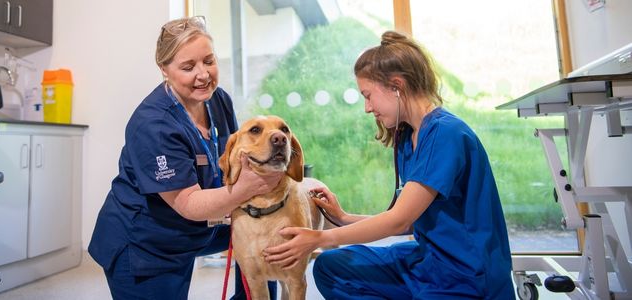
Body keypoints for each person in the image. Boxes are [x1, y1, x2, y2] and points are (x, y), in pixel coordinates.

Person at [263, 31, 515, 299]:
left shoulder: (445, 134)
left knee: (331, 254)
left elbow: (400, 220)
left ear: (397, 87)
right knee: (331, 267)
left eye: (368, 95)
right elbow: (411, 222)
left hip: (466, 275)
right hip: (429, 261)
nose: (367, 108)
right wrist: (344, 218)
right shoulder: (409, 136)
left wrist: (320, 238)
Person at [88, 16, 280, 299]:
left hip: (195, 228)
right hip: (146, 242)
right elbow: (189, 203)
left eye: (209, 61)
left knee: (268, 235)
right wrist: (245, 189)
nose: (203, 75)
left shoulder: (217, 99)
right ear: (164, 69)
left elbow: (233, 159)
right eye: (188, 67)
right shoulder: (154, 124)